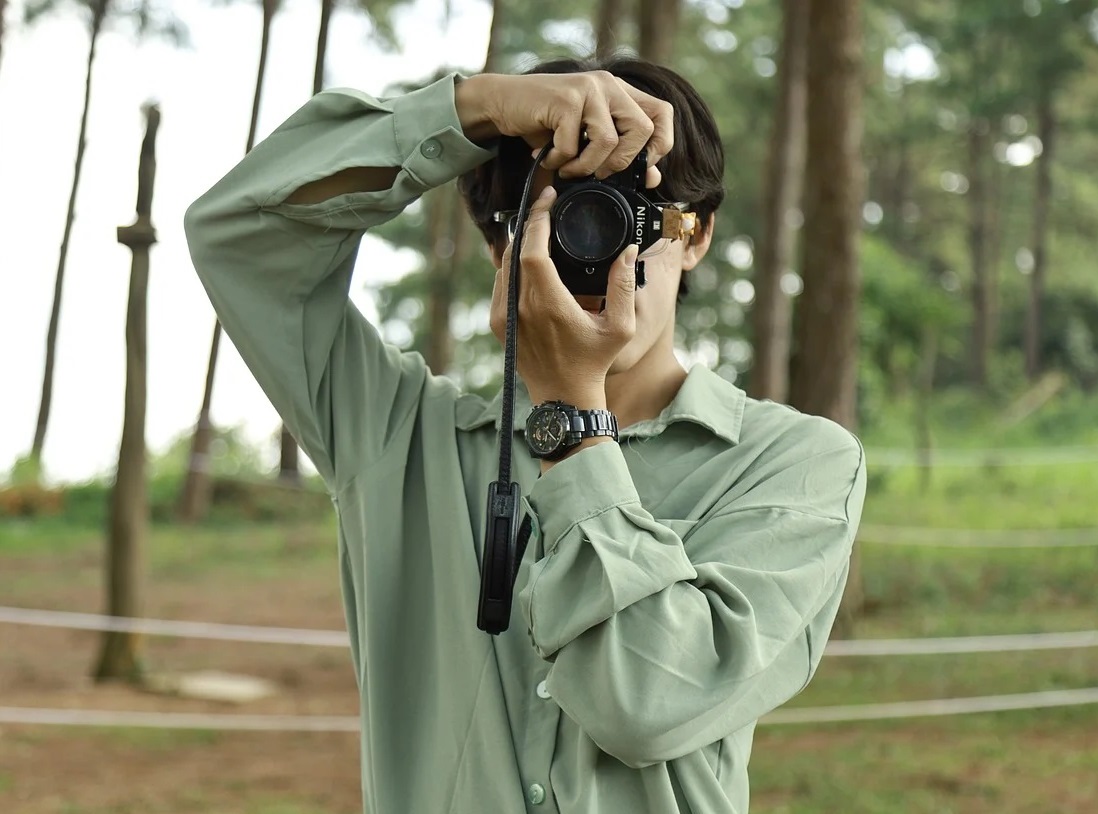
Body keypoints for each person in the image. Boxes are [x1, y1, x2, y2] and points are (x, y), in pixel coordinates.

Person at [185, 55, 866, 814]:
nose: (594, 246)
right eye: (557, 217)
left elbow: (645, 704)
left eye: (620, 214)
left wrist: (569, 419)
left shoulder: (794, 465)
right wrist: (474, 109)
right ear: (499, 248)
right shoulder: (400, 436)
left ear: (696, 232)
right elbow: (239, 231)